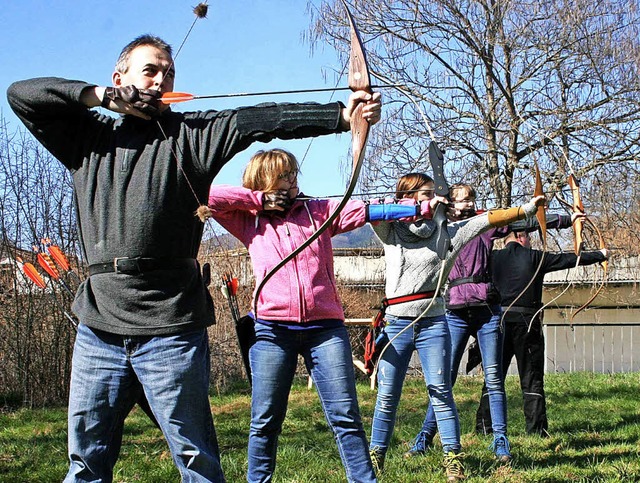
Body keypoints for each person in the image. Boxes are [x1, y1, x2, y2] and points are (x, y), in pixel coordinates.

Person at [7, 35, 381, 482]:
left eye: (168, 73)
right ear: (119, 77)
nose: (161, 79)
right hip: (100, 324)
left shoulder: (191, 136)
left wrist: (342, 116)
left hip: (171, 326)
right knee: (85, 462)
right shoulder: (87, 139)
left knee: (196, 461)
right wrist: (100, 99)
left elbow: (257, 121)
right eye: (150, 70)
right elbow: (22, 95)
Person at [207, 149, 437, 483]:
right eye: (282, 176)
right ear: (264, 179)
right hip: (272, 330)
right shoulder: (248, 219)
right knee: (265, 420)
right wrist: (258, 200)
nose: (291, 181)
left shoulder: (318, 210)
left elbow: (368, 210)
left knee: (346, 416)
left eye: (292, 174)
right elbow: (207, 197)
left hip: (325, 329)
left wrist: (416, 207)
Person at [368, 175, 545, 481]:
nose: (436, 200)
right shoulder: (391, 231)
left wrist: (528, 208)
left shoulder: (451, 232)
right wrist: (417, 207)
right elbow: (373, 211)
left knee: (441, 391)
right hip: (398, 322)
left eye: (435, 195)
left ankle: (453, 459)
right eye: (426, 195)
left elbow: (489, 219)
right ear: (409, 197)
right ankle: (376, 456)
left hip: (433, 322)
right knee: (387, 395)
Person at [406, 184, 580, 463]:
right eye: (462, 200)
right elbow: (413, 222)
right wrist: (432, 207)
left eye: (471, 199)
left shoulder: (483, 223)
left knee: (494, 377)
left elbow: (523, 221)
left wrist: (566, 220)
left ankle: (501, 441)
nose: (468, 204)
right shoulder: (440, 225)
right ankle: (425, 437)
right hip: (455, 311)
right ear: (451, 203)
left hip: (487, 310)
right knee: (445, 378)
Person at [475, 230, 608, 437]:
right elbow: (569, 259)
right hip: (527, 324)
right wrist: (600, 254)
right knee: (531, 377)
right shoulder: (535, 257)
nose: (529, 241)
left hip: (497, 323)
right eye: (528, 237)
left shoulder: (491, 258)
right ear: (520, 236)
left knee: (493, 378)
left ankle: (484, 428)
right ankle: (536, 431)